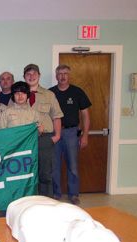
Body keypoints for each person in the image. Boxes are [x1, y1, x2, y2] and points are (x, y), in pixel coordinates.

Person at [49, 65, 91, 204]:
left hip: (71, 133)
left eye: (65, 73)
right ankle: (56, 193)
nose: (62, 76)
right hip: (54, 133)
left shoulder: (77, 92)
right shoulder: (51, 93)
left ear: (69, 75)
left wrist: (85, 135)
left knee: (72, 165)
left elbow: (85, 114)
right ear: (56, 76)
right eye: (60, 74)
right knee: (54, 166)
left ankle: (73, 194)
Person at [23, 64, 63, 197]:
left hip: (45, 138)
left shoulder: (49, 95)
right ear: (24, 77)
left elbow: (56, 116)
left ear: (39, 76)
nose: (31, 76)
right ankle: (28, 202)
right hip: (24, 141)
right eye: (28, 74)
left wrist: (57, 136)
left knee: (45, 173)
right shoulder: (18, 94)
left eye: (34, 74)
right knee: (26, 172)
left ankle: (46, 202)